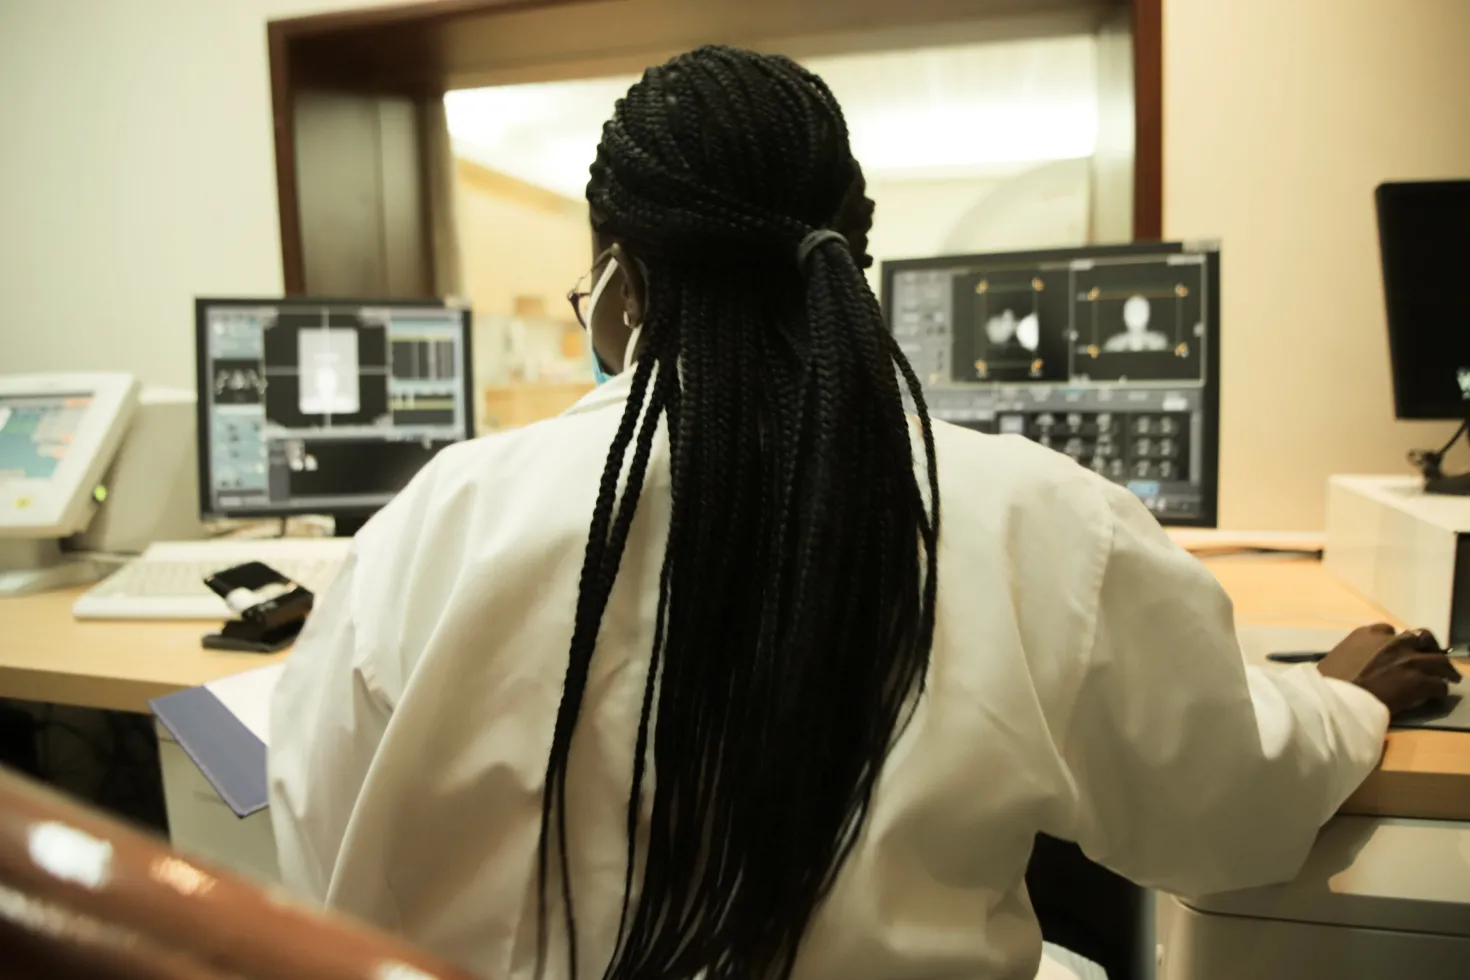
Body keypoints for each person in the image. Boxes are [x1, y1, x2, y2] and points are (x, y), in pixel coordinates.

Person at [268, 46, 1459, 980]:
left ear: (617, 282)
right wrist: (1341, 699)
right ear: (854, 259)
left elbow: (326, 855)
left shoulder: (438, 522)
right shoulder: (1033, 521)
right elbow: (1225, 815)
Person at [1103, 294, 1169, 352]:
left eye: (1140, 311)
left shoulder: (1160, 343)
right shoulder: (1112, 345)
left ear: (1148, 314)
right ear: (1125, 315)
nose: (1136, 315)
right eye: (1132, 311)